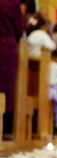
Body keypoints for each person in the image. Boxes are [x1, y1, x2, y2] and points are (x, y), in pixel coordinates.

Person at [0, 0, 24, 134]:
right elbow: (19, 28)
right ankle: (5, 127)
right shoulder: (12, 3)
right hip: (6, 47)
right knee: (6, 86)